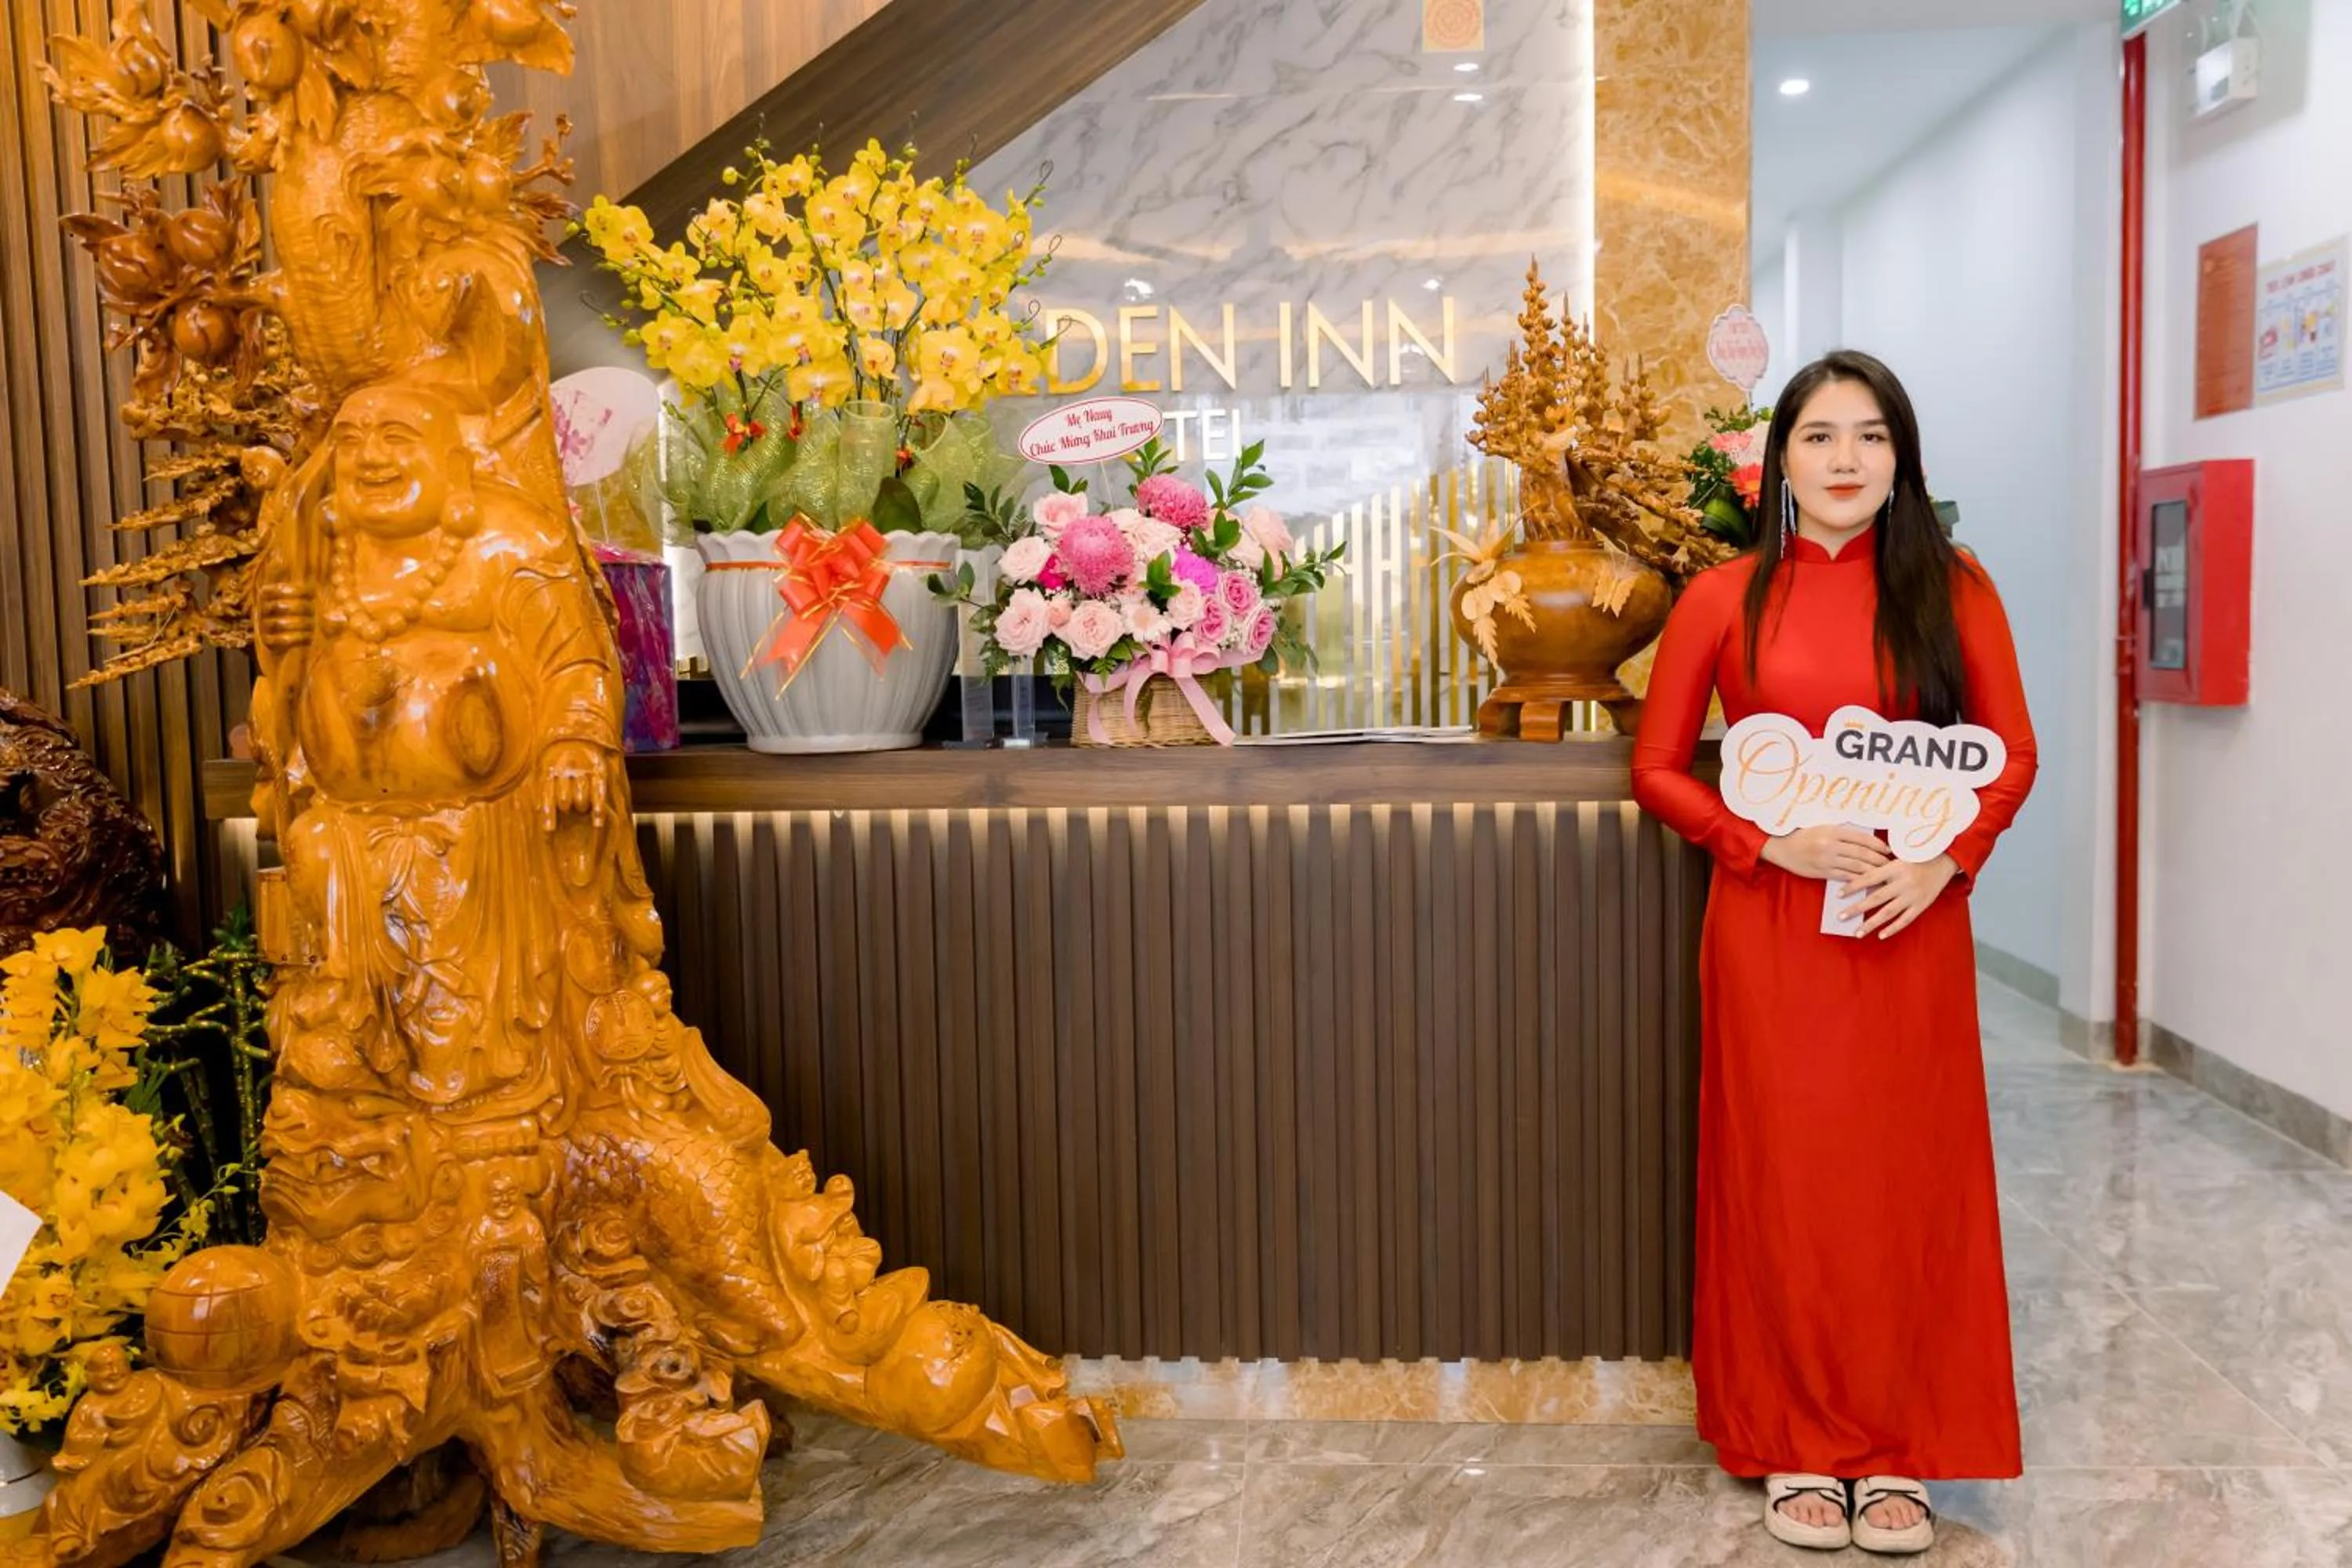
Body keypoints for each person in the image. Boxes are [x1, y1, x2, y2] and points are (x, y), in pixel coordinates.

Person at [1632, 350, 2036, 1555]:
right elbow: (1655, 769)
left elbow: (2009, 753)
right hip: (1769, 930)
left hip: (1908, 924)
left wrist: (1944, 866)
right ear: (1781, 460)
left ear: (1901, 458)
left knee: (1911, 1179)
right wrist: (1762, 847)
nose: (1846, 459)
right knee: (1787, 1178)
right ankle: (1796, 1438)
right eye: (1820, 436)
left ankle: (1902, 1444)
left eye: (1870, 436)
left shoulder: (1954, 589)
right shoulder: (1719, 597)